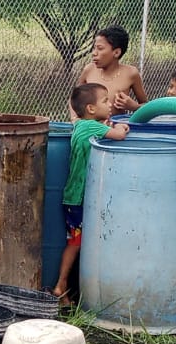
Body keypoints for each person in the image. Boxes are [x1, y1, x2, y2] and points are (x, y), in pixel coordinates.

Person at [53, 83, 129, 304]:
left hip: (74, 197)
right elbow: (119, 135)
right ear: (91, 109)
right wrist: (122, 127)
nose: (110, 104)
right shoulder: (90, 127)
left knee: (76, 241)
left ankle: (65, 288)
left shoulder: (81, 125)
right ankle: (61, 284)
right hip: (80, 199)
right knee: (76, 243)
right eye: (105, 101)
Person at [78, 26, 147, 113]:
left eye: (100, 48)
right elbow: (74, 98)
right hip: (90, 122)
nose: (94, 53)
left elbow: (146, 105)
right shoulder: (89, 70)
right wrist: (75, 118)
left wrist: (134, 106)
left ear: (116, 52)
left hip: (117, 121)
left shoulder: (131, 73)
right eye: (94, 48)